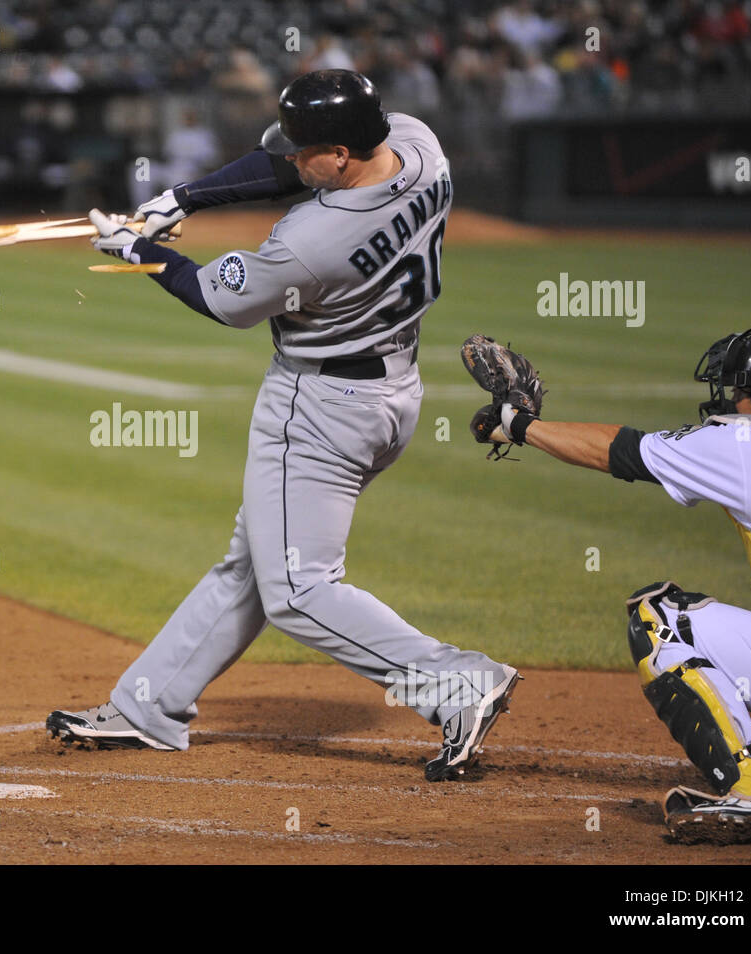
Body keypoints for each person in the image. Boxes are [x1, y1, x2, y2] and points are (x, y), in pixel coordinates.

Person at [47, 70, 519, 782]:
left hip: (321, 411)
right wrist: (184, 199)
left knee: (299, 591)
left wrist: (139, 252)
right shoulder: (422, 149)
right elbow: (277, 166)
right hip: (393, 392)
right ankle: (148, 706)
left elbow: (215, 297)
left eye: (308, 153)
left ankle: (456, 684)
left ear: (339, 156)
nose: (294, 163)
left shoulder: (313, 241)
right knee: (256, 561)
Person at [468, 319, 751, 843]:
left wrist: (519, 424)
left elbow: (619, 450)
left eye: (741, 392)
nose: (731, 404)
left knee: (664, 619)